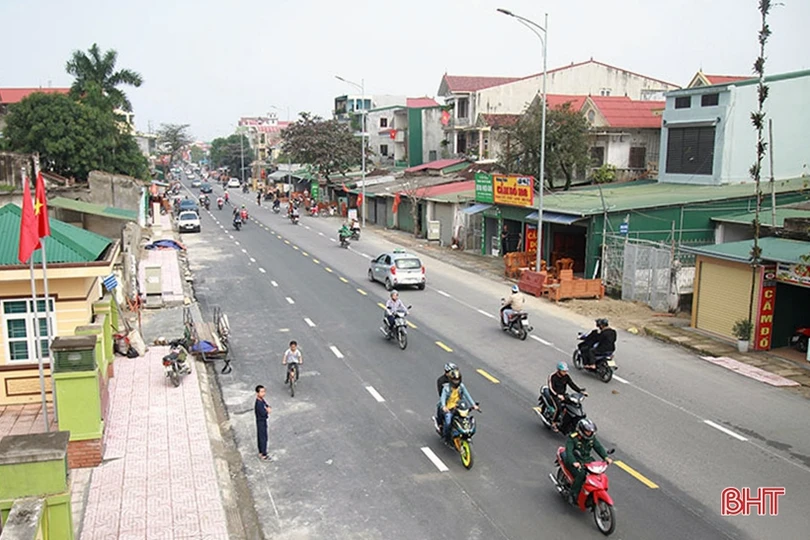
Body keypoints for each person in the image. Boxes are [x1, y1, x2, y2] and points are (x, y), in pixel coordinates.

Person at [564, 419, 612, 505]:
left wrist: (606, 457)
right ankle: (573, 493)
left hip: (586, 460)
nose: (589, 433)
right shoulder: (573, 438)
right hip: (575, 460)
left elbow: (598, 447)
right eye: (587, 431)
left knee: (597, 473)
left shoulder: (591, 438)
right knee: (581, 474)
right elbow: (569, 452)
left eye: (590, 431)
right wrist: (574, 462)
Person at [437, 368, 479, 442]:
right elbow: (443, 398)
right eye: (454, 380)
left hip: (458, 406)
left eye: (457, 380)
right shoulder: (446, 388)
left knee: (465, 419)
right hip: (449, 408)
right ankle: (446, 437)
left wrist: (473, 405)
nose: (456, 382)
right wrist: (444, 406)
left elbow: (467, 395)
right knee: (448, 422)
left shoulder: (461, 387)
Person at [547, 362, 586, 432]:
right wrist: (557, 395)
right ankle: (554, 423)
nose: (565, 372)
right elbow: (551, 388)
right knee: (558, 408)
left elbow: (572, 384)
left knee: (572, 404)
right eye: (563, 371)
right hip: (554, 395)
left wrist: (580, 391)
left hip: (563, 394)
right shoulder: (552, 376)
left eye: (566, 371)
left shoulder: (566, 376)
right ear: (559, 370)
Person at [254, 385, 272, 461]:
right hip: (261, 421)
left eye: (264, 391)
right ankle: (263, 454)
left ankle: (261, 452)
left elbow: (266, 405)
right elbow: (263, 412)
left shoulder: (261, 400)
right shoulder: (258, 404)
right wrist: (267, 411)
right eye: (261, 392)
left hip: (262, 421)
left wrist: (268, 407)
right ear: (257, 393)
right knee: (263, 437)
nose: (263, 393)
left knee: (261, 436)